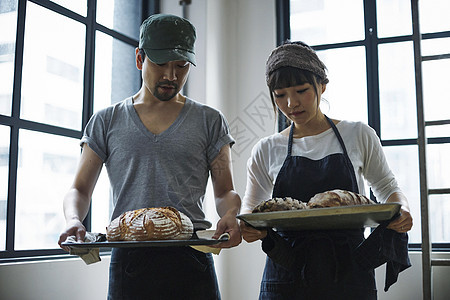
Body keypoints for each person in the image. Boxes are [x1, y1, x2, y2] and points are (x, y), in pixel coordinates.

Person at [58, 13, 241, 300]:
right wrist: (73, 219)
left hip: (192, 261)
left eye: (181, 65)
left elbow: (225, 191)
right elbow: (79, 189)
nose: (171, 76)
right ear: (139, 59)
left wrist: (230, 214)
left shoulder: (210, 121)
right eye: (160, 64)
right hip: (129, 262)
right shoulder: (106, 120)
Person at [240, 41, 413, 299]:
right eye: (280, 95)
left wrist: (403, 209)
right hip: (287, 273)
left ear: (322, 85)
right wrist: (247, 227)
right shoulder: (266, 148)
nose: (291, 104)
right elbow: (251, 207)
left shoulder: (358, 134)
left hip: (349, 271)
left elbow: (388, 188)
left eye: (301, 90)